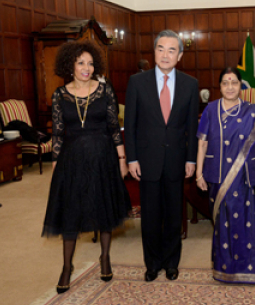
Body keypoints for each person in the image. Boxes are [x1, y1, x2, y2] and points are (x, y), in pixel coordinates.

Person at [42, 40, 131, 294]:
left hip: (103, 158)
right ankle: (66, 267)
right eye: (81, 62)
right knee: (70, 213)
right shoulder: (59, 95)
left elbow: (115, 129)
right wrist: (55, 168)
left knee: (104, 209)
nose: (86, 68)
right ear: (70, 65)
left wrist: (122, 159)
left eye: (91, 63)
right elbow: (58, 136)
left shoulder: (105, 91)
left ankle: (105, 258)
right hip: (72, 161)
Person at [125, 30, 199, 282]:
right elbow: (131, 125)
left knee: (173, 214)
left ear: (179, 55)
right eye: (160, 49)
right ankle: (152, 263)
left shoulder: (190, 84)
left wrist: (191, 159)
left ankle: (171, 263)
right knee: (150, 217)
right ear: (154, 52)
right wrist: (131, 158)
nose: (165, 54)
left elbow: (192, 127)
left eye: (171, 50)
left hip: (178, 160)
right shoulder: (137, 82)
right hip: (146, 161)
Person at [195, 67, 255, 284]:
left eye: (234, 82)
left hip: (245, 177)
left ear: (241, 86)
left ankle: (247, 270)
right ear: (219, 87)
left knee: (244, 222)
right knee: (221, 224)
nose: (230, 87)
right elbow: (202, 142)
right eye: (225, 83)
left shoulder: (254, 112)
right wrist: (199, 173)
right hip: (216, 176)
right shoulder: (210, 109)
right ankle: (224, 270)